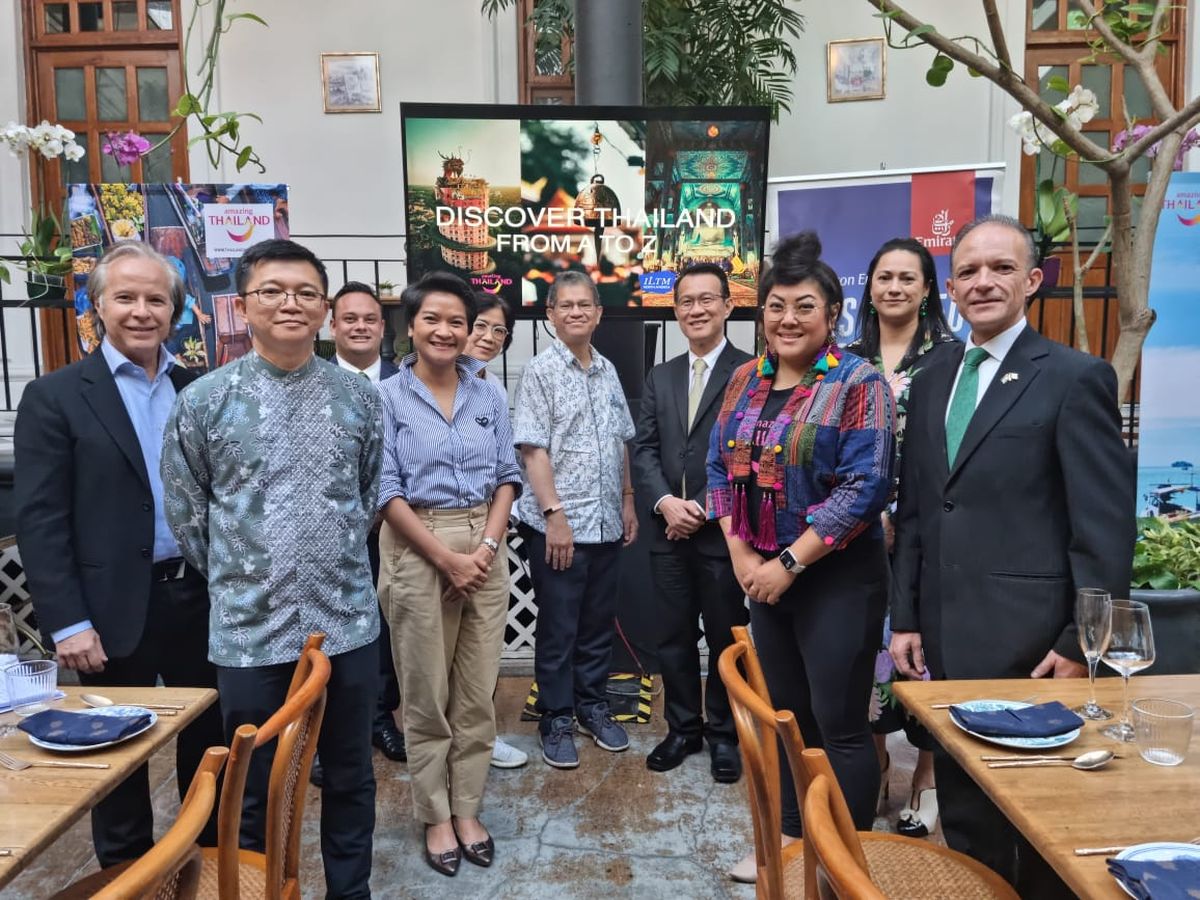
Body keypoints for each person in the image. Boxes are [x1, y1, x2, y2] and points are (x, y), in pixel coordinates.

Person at [889, 214, 1135, 896]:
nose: (982, 282)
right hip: (944, 635)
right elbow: (916, 508)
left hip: (1034, 647)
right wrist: (905, 617)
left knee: (1041, 821)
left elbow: (1104, 526)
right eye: (967, 270)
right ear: (952, 287)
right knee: (968, 813)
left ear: (1032, 280)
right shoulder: (934, 374)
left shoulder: (1073, 377)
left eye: (1000, 268)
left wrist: (1082, 641)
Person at [162, 239, 381, 899]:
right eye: (273, 291)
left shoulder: (358, 398)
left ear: (324, 309)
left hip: (346, 623)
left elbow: (366, 498)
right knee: (249, 783)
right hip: (248, 630)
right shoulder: (205, 401)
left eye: (306, 292)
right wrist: (247, 573)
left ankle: (350, 891)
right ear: (243, 304)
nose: (291, 303)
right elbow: (188, 514)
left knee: (350, 773)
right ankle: (251, 890)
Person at [14, 241, 224, 867]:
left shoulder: (200, 389)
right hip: (107, 610)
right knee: (114, 752)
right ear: (98, 305)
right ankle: (129, 872)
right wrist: (68, 622)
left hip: (201, 596)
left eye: (155, 299)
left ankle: (205, 860)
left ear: (176, 310)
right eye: (125, 297)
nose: (141, 311)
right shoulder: (55, 397)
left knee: (208, 741)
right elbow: (41, 518)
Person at [709, 233, 894, 882]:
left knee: (840, 726)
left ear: (832, 315)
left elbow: (863, 488)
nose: (788, 319)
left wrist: (785, 564)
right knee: (789, 719)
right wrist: (741, 557)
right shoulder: (743, 380)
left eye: (804, 306)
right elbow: (717, 469)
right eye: (776, 306)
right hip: (762, 581)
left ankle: (841, 864)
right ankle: (793, 842)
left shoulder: (857, 382)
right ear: (760, 313)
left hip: (834, 579)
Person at [375, 272, 521, 877]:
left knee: (476, 693)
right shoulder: (385, 398)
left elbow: (508, 475)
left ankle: (467, 808)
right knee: (425, 694)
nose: (445, 330)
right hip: (418, 546)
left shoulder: (488, 396)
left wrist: (485, 546)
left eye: (456, 321)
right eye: (432, 318)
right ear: (411, 326)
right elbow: (383, 491)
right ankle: (435, 815)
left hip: (485, 546)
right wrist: (446, 558)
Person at [848, 237, 959, 838]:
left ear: (926, 289)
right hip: (855, 535)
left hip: (926, 533)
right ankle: (878, 760)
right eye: (883, 276)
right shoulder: (844, 359)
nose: (894, 287)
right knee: (864, 651)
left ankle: (927, 776)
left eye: (907, 278)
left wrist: (905, 513)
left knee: (924, 657)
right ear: (868, 286)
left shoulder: (950, 360)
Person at [512, 270, 638, 770]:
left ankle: (592, 705)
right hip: (559, 527)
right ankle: (556, 716)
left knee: (596, 625)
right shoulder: (540, 371)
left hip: (607, 523)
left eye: (585, 305)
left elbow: (621, 441)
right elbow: (532, 450)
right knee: (560, 627)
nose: (577, 312)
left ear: (599, 313)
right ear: (550, 315)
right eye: (566, 306)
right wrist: (554, 515)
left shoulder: (608, 370)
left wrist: (628, 499)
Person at [631, 262, 752, 784]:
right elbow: (645, 448)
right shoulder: (660, 375)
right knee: (673, 637)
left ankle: (724, 733)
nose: (696, 309)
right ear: (675, 309)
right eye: (687, 301)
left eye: (708, 300)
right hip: (666, 533)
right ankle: (682, 727)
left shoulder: (752, 373)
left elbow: (747, 452)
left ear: (727, 305)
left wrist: (699, 507)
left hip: (723, 535)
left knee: (726, 638)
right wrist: (663, 503)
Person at [326, 281, 406, 767]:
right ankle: (328, 734)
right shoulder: (310, 382)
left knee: (387, 633)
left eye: (369, 319)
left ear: (383, 327)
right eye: (349, 318)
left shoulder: (405, 382)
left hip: (394, 532)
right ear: (332, 325)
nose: (359, 326)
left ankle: (380, 718)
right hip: (330, 538)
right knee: (329, 634)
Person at [462, 291, 530, 770]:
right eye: (479, 325)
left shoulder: (494, 392)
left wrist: (492, 535)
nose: (487, 337)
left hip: (490, 530)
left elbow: (507, 471)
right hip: (436, 534)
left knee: (485, 645)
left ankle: (479, 740)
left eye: (498, 331)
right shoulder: (407, 386)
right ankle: (442, 744)